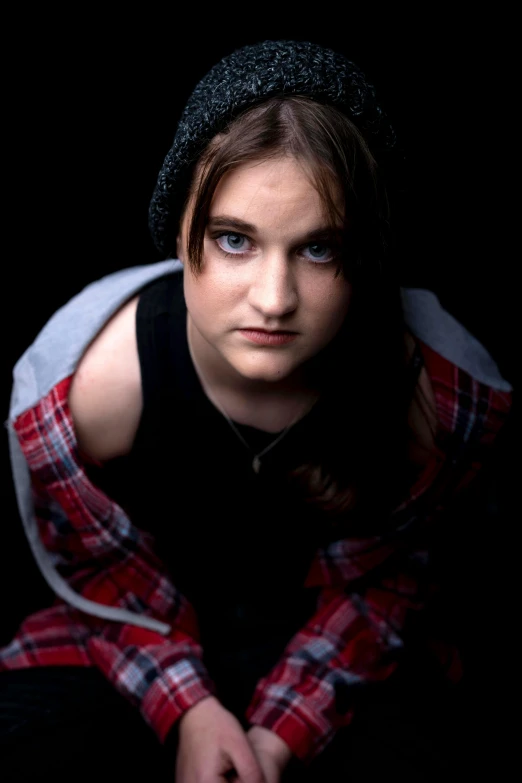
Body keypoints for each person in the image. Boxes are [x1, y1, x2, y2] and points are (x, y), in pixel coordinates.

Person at [0, 39, 513, 782]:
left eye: (318, 249)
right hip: (140, 639)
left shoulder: (436, 403)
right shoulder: (92, 392)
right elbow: (99, 580)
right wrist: (190, 708)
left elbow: (395, 587)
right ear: (182, 233)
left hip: (344, 651)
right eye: (235, 240)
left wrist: (280, 732)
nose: (274, 299)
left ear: (367, 252)